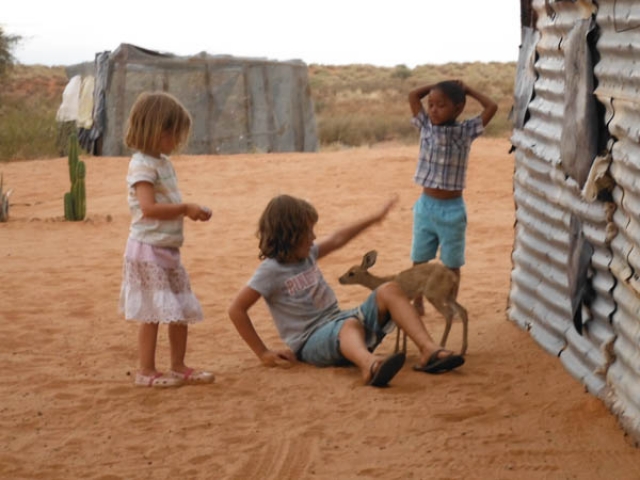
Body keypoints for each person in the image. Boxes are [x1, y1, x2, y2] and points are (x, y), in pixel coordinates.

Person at [227, 194, 464, 388]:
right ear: (289, 236)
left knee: (390, 289)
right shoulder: (270, 271)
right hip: (311, 341)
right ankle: (370, 365)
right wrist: (263, 353)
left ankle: (429, 350)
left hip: (340, 322)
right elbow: (237, 309)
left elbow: (339, 237)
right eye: (308, 233)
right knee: (349, 325)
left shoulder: (308, 254)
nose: (314, 237)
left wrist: (374, 219)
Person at [119, 91, 214, 388]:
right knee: (152, 313)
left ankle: (178, 365)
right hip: (148, 250)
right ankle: (145, 370)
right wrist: (186, 209)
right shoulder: (141, 166)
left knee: (180, 309)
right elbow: (148, 208)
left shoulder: (162, 163)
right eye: (173, 134)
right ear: (157, 130)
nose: (176, 140)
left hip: (168, 249)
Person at [408, 80, 497, 313]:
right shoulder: (425, 126)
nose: (434, 110)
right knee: (419, 258)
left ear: (458, 108)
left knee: (452, 262)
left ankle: (451, 302)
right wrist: (434, 86)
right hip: (425, 206)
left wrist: (469, 89)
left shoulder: (466, 131)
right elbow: (412, 96)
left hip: (453, 210)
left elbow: (491, 107)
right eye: (431, 105)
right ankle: (417, 301)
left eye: (441, 105)